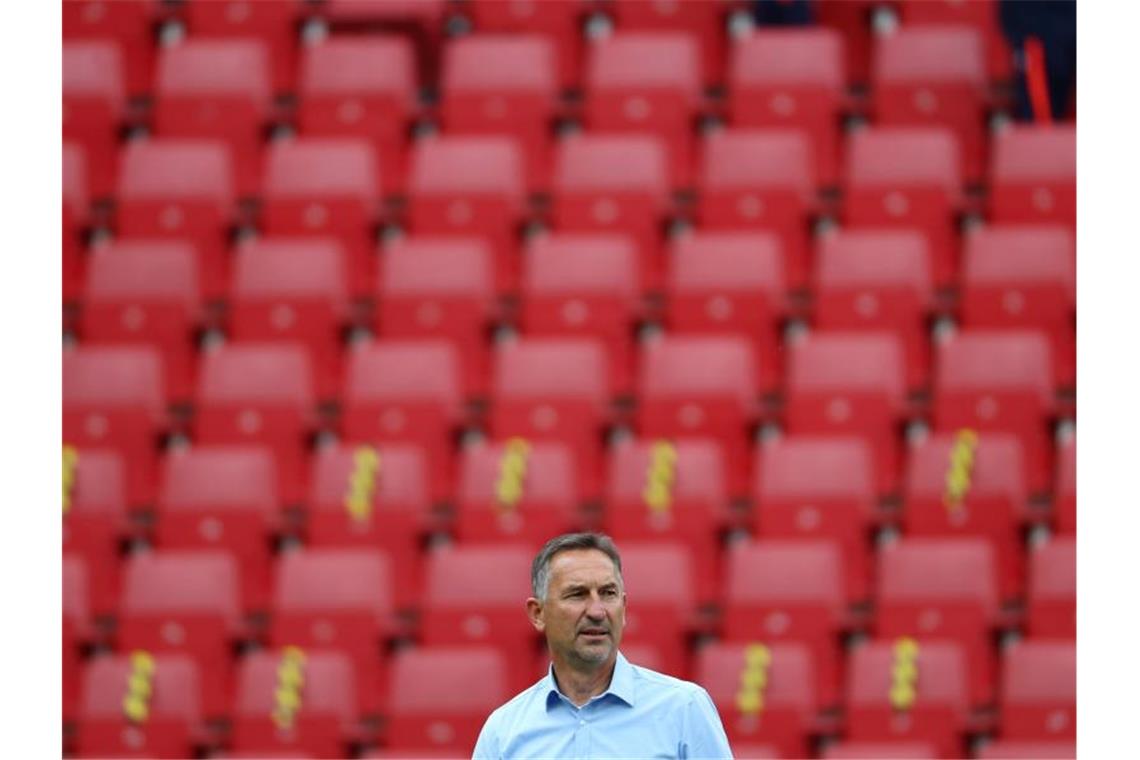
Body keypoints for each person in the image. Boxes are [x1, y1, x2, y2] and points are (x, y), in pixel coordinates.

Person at [472, 533, 733, 759]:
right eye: (577, 594)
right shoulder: (504, 731)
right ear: (538, 613)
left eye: (608, 594)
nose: (597, 611)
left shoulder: (683, 709)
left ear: (624, 608)